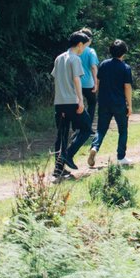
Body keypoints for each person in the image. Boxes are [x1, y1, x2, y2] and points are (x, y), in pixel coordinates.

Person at [51, 32, 91, 178]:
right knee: (86, 128)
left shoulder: (59, 58)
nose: (84, 50)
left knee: (61, 134)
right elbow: (76, 80)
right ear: (79, 44)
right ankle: (68, 154)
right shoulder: (75, 59)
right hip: (72, 101)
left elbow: (56, 78)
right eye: (84, 47)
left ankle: (58, 169)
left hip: (59, 102)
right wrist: (80, 100)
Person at [88, 39, 135, 167]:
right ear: (124, 52)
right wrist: (129, 105)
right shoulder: (125, 68)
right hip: (119, 103)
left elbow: (98, 81)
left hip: (103, 102)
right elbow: (127, 87)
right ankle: (121, 157)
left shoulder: (103, 64)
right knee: (123, 130)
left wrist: (98, 96)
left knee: (101, 129)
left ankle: (95, 147)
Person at [77, 28, 100, 133]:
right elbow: (94, 67)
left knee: (77, 104)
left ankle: (77, 127)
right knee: (92, 103)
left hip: (75, 82)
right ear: (89, 39)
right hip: (88, 83)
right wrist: (96, 83)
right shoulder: (91, 51)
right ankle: (88, 127)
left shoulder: (75, 50)